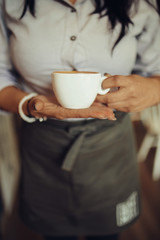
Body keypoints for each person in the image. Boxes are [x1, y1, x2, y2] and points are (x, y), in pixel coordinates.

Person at [0, 0, 160, 240]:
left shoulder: (139, 4)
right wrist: (30, 105)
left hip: (111, 144)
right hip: (43, 142)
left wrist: (155, 89)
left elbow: (156, 69)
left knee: (107, 232)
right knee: (54, 233)